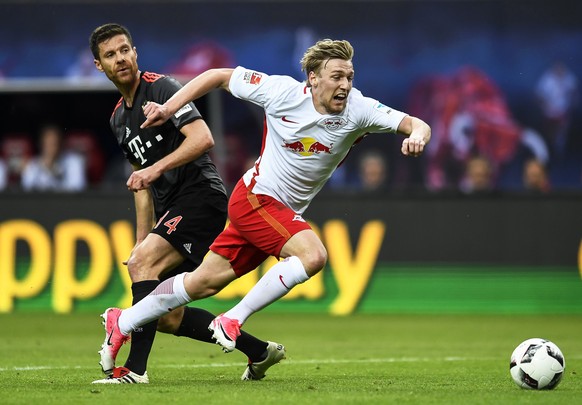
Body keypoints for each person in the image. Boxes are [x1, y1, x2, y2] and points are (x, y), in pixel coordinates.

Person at [99, 38, 430, 365]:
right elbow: (218, 76)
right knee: (313, 256)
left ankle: (124, 321)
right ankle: (232, 319)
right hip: (255, 198)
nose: (344, 85)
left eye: (349, 77)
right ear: (313, 78)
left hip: (280, 214)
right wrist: (169, 108)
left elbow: (417, 124)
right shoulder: (281, 92)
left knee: (201, 283)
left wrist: (417, 135)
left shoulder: (360, 109)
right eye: (336, 77)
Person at [89, 23, 284, 384]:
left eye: (125, 50)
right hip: (171, 210)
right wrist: (140, 242)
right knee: (164, 316)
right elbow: (142, 185)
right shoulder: (119, 119)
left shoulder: (162, 88)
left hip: (201, 196)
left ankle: (134, 371)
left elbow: (202, 138)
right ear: (99, 65)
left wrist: (156, 170)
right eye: (111, 55)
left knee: (147, 269)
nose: (121, 59)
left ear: (135, 52)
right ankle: (259, 351)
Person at [21, 123, 87, 192]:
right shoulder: (33, 164)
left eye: (54, 143)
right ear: (42, 145)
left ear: (61, 144)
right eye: (48, 144)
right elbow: (27, 188)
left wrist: (53, 171)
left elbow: (78, 187)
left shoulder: (74, 162)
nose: (52, 148)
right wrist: (45, 167)